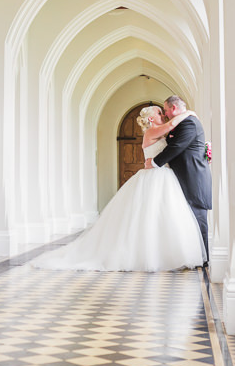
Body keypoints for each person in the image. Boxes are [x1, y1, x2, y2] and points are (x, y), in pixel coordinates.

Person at [31, 104, 205, 272]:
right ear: (151, 118)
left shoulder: (160, 133)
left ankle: (165, 253)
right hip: (154, 176)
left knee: (162, 215)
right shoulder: (152, 132)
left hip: (164, 176)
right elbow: (172, 124)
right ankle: (145, 256)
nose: (164, 115)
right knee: (147, 216)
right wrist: (189, 113)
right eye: (160, 113)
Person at [151, 95, 212, 265]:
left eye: (166, 110)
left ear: (174, 109)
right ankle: (194, 255)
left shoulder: (189, 123)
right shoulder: (184, 122)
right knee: (188, 218)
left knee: (198, 217)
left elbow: (176, 147)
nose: (165, 114)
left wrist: (155, 162)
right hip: (184, 176)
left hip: (193, 177)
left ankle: (204, 258)